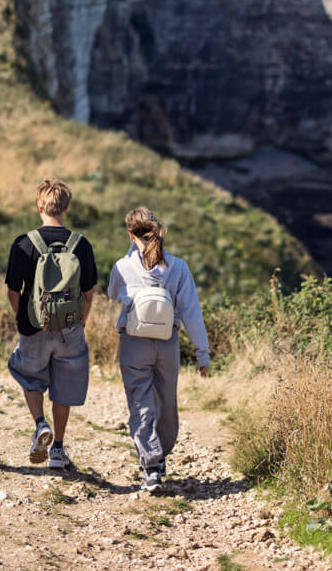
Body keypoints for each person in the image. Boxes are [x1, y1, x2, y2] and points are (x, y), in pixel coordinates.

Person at [108, 207, 209, 493]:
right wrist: (202, 354)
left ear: (130, 235)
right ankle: (160, 455)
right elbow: (192, 314)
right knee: (166, 403)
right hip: (168, 343)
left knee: (140, 401)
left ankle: (151, 465)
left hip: (134, 342)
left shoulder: (122, 267)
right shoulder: (178, 267)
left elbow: (113, 294)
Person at [5, 179, 98, 469]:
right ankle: (57, 449)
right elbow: (88, 292)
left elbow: (12, 289)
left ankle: (40, 423)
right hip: (70, 327)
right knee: (64, 386)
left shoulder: (24, 243)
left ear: (38, 205)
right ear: (66, 208)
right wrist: (79, 322)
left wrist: (26, 317)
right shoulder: (80, 244)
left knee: (30, 377)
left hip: (34, 327)